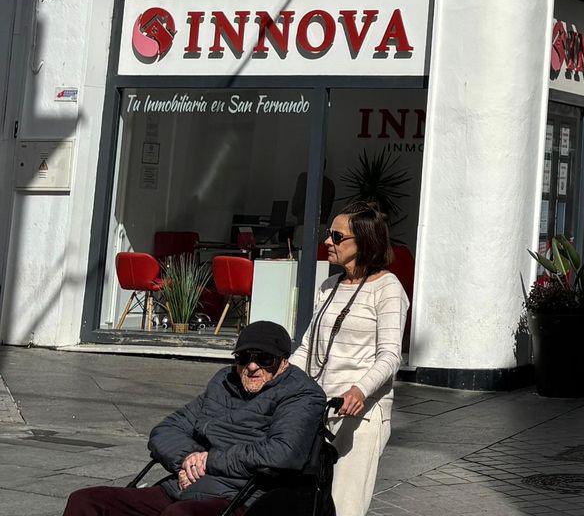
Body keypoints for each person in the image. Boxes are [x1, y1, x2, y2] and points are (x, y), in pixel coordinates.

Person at [64, 321, 328, 516]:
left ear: (283, 362)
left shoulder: (302, 394)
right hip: (183, 486)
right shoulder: (224, 382)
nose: (251, 366)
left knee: (180, 515)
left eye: (264, 359)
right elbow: (166, 430)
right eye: (244, 357)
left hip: (240, 496)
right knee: (86, 501)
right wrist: (188, 461)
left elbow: (282, 453)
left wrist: (209, 462)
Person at [291, 204, 409, 516]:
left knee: (345, 506)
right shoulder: (329, 286)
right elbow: (308, 347)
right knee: (307, 502)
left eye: (336, 236)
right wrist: (281, 378)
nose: (327, 242)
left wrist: (359, 391)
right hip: (319, 409)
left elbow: (389, 356)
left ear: (364, 242)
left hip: (360, 414)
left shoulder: (388, 288)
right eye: (328, 234)